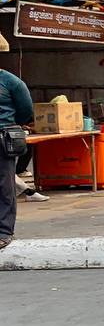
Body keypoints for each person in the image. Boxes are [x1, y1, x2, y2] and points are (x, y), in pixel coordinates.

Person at [0, 67, 35, 250]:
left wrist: (10, 123)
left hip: (2, 138)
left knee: (4, 185)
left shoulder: (11, 81)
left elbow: (25, 110)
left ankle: (4, 231)